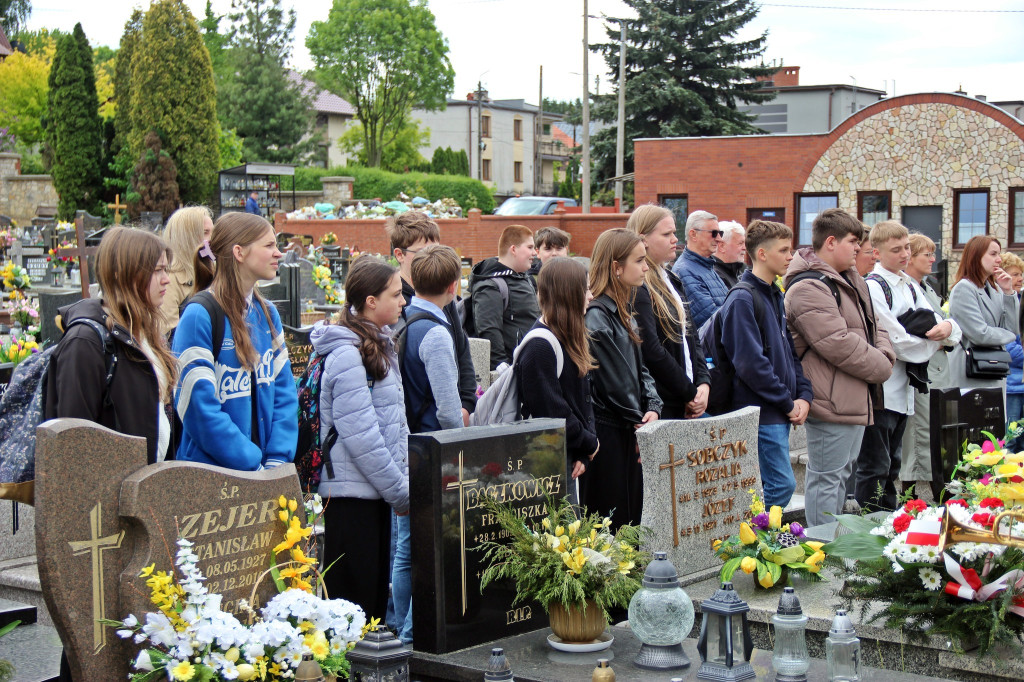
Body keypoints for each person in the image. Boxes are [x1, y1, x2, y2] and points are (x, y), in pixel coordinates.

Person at [311, 256, 409, 624]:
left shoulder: (375, 344)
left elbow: (391, 425)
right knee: (352, 610)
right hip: (352, 499)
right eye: (396, 294)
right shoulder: (348, 356)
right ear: (371, 301)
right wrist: (400, 492)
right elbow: (363, 438)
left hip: (374, 491)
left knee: (370, 605)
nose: (402, 302)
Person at [784, 208, 895, 527]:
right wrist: (883, 365)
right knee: (827, 479)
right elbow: (838, 343)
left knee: (842, 475)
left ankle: (833, 547)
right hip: (829, 398)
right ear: (830, 242)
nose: (859, 250)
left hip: (852, 393)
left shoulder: (849, 279)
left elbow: (876, 327)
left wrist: (883, 356)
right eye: (853, 243)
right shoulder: (808, 286)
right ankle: (821, 550)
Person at [172, 212, 298, 470]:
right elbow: (198, 408)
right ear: (239, 253)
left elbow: (285, 394)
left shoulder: (267, 314)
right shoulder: (199, 315)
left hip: (265, 474)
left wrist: (277, 460)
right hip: (210, 479)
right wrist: (251, 463)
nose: (278, 253)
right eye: (269, 245)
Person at [44, 227, 178, 464]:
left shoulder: (146, 331)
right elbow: (74, 444)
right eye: (157, 270)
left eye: (165, 269)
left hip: (149, 486)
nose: (166, 278)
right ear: (123, 274)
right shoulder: (84, 343)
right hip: (111, 494)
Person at [856, 221, 957, 512]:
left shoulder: (911, 286)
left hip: (905, 391)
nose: (905, 254)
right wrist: (937, 343)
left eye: (907, 248)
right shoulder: (875, 287)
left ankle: (887, 526)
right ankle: (871, 527)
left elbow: (952, 329)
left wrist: (947, 328)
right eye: (896, 249)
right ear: (876, 252)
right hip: (881, 391)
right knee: (876, 466)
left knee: (892, 465)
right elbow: (898, 343)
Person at [394, 244, 465, 644]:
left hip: (406, 444)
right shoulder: (436, 332)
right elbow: (449, 410)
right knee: (420, 550)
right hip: (429, 449)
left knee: (405, 549)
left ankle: (398, 627)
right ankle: (408, 637)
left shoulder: (404, 319)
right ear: (454, 286)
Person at [719, 220, 812, 509]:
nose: (790, 256)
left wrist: (804, 396)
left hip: (779, 409)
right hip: (760, 412)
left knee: (770, 486)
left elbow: (789, 353)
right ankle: (747, 540)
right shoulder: (742, 298)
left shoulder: (774, 293)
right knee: (782, 484)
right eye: (784, 250)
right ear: (761, 254)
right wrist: (787, 402)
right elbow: (750, 364)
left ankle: (756, 545)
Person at [584, 228, 661, 531]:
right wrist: (642, 422)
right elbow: (616, 386)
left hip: (631, 426)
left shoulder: (623, 313)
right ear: (616, 267)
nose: (645, 267)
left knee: (632, 517)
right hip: (611, 433)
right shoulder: (597, 318)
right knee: (614, 521)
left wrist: (653, 405)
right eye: (639, 260)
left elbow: (642, 370)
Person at [516, 257, 599, 491]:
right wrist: (589, 442)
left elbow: (581, 400)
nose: (591, 296)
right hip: (544, 463)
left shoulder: (568, 337)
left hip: (567, 452)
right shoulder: (540, 346)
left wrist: (583, 450)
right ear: (569, 294)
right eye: (585, 289)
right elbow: (553, 411)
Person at [386, 211, 476, 424]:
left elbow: (461, 349)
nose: (431, 257)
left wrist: (466, 403)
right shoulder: (395, 300)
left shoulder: (444, 299)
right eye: (422, 251)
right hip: (421, 420)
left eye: (435, 249)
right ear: (399, 254)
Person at [626, 204, 710, 419]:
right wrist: (689, 393)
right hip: (664, 404)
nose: (675, 239)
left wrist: (703, 383)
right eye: (666, 234)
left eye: (674, 232)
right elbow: (652, 351)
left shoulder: (671, 279)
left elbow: (692, 337)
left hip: (686, 397)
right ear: (643, 239)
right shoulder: (638, 287)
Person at [900, 233, 956, 503]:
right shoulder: (907, 288)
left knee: (932, 435)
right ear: (909, 257)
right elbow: (930, 329)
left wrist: (949, 332)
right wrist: (947, 333)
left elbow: (952, 328)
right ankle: (913, 499)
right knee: (919, 437)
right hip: (922, 373)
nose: (934, 258)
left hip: (937, 372)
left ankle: (932, 494)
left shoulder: (928, 287)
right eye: (927, 254)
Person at [948, 235, 1019, 398]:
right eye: (993, 254)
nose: (999, 260)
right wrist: (1007, 335)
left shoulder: (996, 290)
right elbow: (980, 334)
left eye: (999, 254)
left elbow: (1013, 327)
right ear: (976, 256)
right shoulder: (963, 289)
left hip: (993, 371)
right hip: (972, 373)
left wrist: (1008, 293)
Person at [471, 224, 541, 369]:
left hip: (530, 362)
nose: (534, 252)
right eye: (529, 247)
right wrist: (501, 365)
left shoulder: (526, 278)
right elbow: (489, 328)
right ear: (513, 249)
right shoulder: (490, 285)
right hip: (511, 367)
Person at [671, 210, 728, 330]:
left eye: (720, 233)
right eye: (713, 233)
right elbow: (710, 320)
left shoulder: (707, 266)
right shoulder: (685, 271)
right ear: (693, 234)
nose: (719, 239)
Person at [162, 205, 214, 330]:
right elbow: (169, 334)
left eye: (213, 232)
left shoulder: (215, 269)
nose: (212, 239)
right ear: (186, 237)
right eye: (205, 233)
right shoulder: (168, 279)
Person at [1000, 252, 1024, 449]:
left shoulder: (1020, 302)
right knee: (1010, 438)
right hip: (1012, 386)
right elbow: (1009, 346)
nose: (1020, 279)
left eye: (1021, 274)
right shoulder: (1003, 303)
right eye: (1015, 274)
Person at [712, 220, 747, 289]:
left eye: (744, 243)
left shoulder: (738, 272)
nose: (744, 248)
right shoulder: (714, 277)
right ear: (722, 246)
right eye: (740, 243)